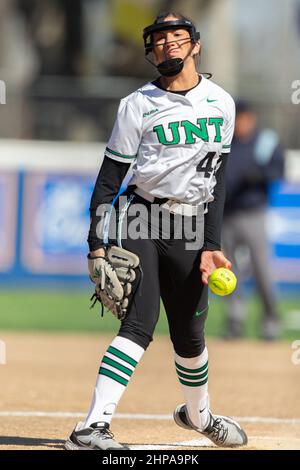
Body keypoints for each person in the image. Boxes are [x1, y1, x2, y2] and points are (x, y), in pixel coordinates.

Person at [65, 12, 248, 450]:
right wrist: (96, 244)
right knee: (139, 323)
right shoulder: (137, 104)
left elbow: (216, 182)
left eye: (177, 38)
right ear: (151, 51)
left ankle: (198, 415)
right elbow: (109, 180)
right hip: (142, 216)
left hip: (191, 224)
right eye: (160, 40)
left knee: (189, 334)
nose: (168, 45)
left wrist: (211, 245)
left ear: (195, 46)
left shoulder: (221, 102)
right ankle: (90, 428)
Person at [222, 101, 284, 340]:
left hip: (253, 214)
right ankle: (235, 322)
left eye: (245, 118)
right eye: (238, 119)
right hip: (226, 215)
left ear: (252, 119)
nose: (241, 124)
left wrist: (259, 175)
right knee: (229, 272)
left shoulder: (265, 142)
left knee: (262, 270)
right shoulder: (226, 141)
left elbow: (278, 170)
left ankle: (271, 323)